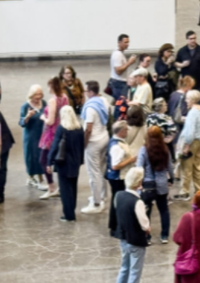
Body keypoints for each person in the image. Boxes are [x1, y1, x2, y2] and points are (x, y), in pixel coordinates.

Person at [113, 166, 150, 283]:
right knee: (134, 274)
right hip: (136, 241)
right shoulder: (138, 202)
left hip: (123, 238)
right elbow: (145, 225)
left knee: (124, 269)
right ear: (139, 183)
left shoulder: (118, 195)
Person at [47, 105, 85, 223]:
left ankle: (69, 215)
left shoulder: (62, 129)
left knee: (65, 190)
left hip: (64, 163)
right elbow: (82, 146)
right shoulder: (79, 129)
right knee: (73, 188)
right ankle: (71, 210)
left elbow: (54, 146)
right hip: (75, 162)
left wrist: (49, 162)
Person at [137, 125, 173, 244]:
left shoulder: (144, 149)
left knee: (147, 210)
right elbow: (170, 166)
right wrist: (171, 179)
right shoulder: (165, 149)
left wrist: (139, 182)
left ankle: (147, 237)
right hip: (162, 184)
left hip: (148, 184)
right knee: (163, 210)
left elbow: (139, 167)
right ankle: (164, 236)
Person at [82, 81, 110, 214]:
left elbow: (88, 129)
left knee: (94, 173)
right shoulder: (104, 100)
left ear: (91, 92)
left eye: (86, 91)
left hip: (93, 142)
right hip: (104, 138)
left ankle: (96, 202)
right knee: (102, 169)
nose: (85, 93)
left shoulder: (90, 108)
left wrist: (84, 144)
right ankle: (103, 195)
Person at [38, 76, 69, 200]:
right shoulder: (65, 97)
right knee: (60, 159)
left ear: (50, 86)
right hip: (62, 130)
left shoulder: (53, 101)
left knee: (44, 160)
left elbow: (50, 121)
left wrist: (42, 118)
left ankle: (51, 187)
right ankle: (62, 187)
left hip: (51, 134)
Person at [175, 90, 200, 201]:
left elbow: (190, 132)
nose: (185, 100)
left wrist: (187, 146)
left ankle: (185, 191)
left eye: (187, 99)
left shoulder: (192, 112)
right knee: (198, 167)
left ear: (192, 100)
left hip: (192, 143)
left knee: (186, 167)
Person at [107, 120, 137, 235]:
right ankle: (115, 226)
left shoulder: (118, 142)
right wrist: (130, 160)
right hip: (118, 178)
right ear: (120, 131)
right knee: (117, 202)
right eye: (125, 129)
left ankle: (116, 225)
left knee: (117, 201)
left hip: (119, 177)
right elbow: (115, 166)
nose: (127, 131)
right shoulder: (117, 146)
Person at [19, 85, 48, 191]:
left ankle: (38, 178)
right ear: (31, 95)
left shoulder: (44, 103)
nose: (38, 96)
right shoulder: (25, 106)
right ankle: (34, 178)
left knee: (41, 155)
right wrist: (28, 116)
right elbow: (21, 123)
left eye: (40, 94)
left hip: (42, 134)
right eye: (36, 94)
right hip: (30, 136)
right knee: (31, 157)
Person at [175, 30, 200, 106]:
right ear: (187, 39)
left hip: (199, 82)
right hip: (187, 84)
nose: (193, 40)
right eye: (191, 39)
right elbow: (176, 63)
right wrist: (182, 65)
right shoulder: (182, 51)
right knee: (187, 102)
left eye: (194, 38)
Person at [109, 33, 138, 103]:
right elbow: (118, 71)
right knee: (121, 104)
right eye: (125, 42)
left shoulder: (119, 53)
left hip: (119, 82)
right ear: (119, 42)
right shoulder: (117, 55)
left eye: (128, 42)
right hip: (119, 83)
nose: (127, 44)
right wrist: (129, 62)